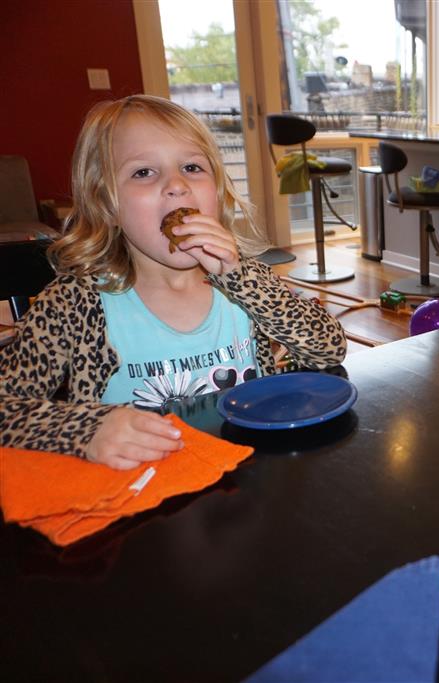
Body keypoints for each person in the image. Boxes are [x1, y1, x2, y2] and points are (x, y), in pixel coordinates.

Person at [0, 95, 347, 469]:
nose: (177, 185)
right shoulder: (73, 303)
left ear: (218, 193)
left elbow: (328, 350)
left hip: (249, 476)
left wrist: (244, 281)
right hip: (141, 493)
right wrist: (84, 430)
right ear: (107, 205)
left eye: (192, 167)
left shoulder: (247, 282)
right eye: (144, 172)